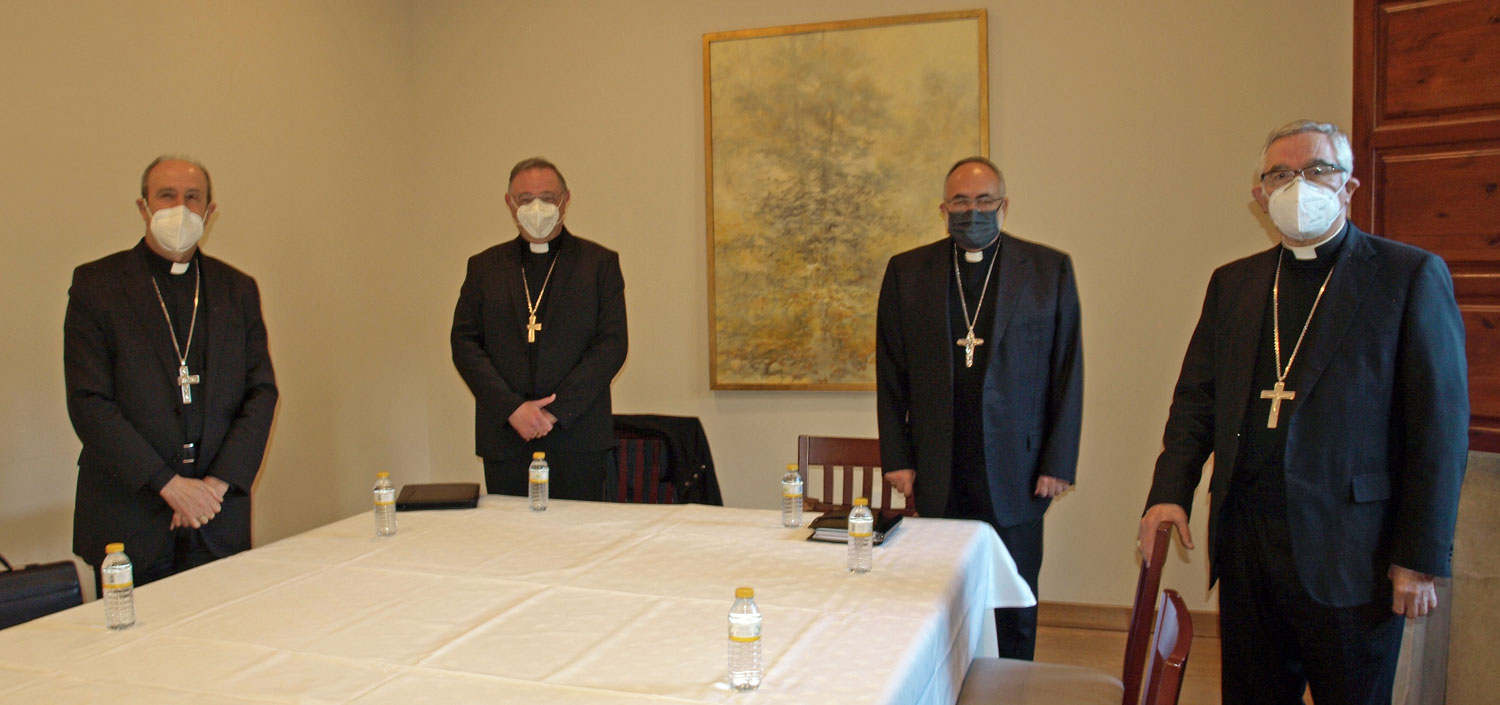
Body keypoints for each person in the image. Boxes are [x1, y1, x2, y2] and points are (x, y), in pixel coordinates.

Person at [1138, 120, 1468, 705]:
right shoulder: (1235, 283)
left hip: (1353, 552)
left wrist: (1418, 558)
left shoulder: (1407, 275)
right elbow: (1196, 400)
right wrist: (1170, 491)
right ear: (1260, 195)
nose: (1299, 185)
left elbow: (1438, 431)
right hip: (1248, 544)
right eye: (1281, 174)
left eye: (1317, 170)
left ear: (1349, 186)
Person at [876, 156, 1084, 660]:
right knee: (938, 601)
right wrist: (898, 458)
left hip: (1019, 469)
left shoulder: (1048, 269)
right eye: (961, 202)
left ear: (1004, 205)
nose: (974, 211)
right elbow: (891, 374)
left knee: (1014, 604)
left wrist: (1058, 463)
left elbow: (1067, 370)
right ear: (943, 209)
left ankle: (1012, 686)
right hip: (939, 466)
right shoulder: (908, 272)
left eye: (985, 200)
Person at [65, 156, 278, 590]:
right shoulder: (98, 285)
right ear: (143, 207)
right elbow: (90, 403)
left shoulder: (237, 289)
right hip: (129, 518)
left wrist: (214, 486)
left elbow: (261, 393)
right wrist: (169, 486)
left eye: (192, 197)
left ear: (209, 211)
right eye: (167, 195)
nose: (180, 207)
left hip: (216, 516)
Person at [452, 157, 627, 500]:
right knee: (510, 532)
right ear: (509, 203)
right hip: (506, 436)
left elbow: (611, 346)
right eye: (525, 199)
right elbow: (464, 344)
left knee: (579, 533)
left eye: (547, 198)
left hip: (577, 437)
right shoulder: (484, 268)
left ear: (565, 200)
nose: (536, 207)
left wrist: (553, 413)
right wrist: (512, 409)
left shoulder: (598, 264)